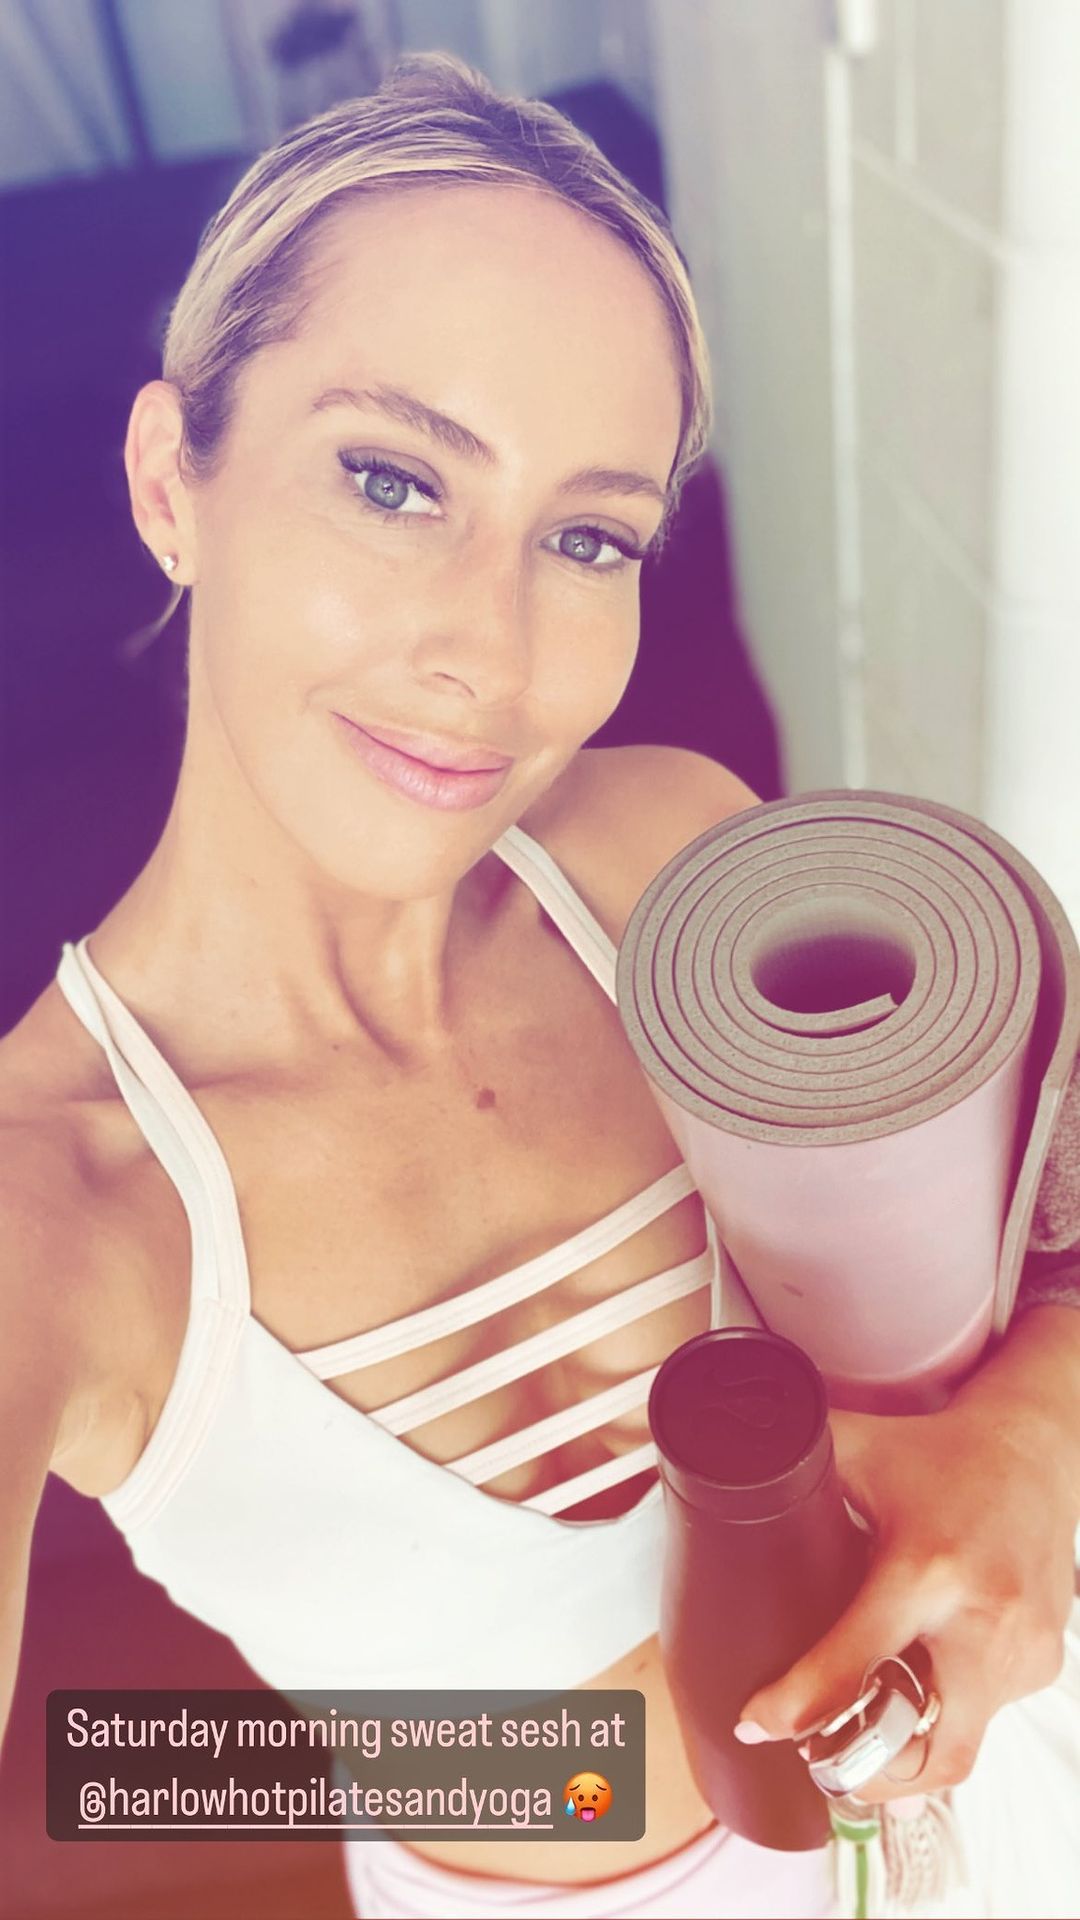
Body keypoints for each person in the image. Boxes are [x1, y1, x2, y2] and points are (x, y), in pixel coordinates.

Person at [1, 53, 1078, 1920]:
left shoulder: (667, 854)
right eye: (393, 480)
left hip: (1010, 1778)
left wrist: (1032, 1442)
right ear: (176, 481)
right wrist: (614, 1753)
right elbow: (130, 1772)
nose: (490, 653)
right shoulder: (57, 1211)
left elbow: (1029, 1220)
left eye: (589, 536)